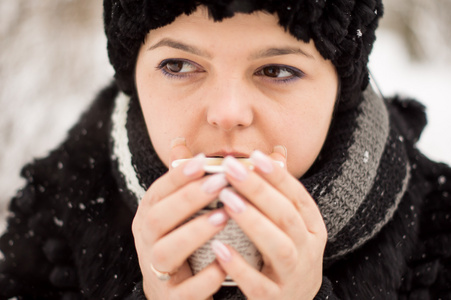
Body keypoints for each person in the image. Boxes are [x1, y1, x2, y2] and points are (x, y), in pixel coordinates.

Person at [1, 0, 450, 299]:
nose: (227, 113)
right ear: (134, 78)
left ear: (342, 90)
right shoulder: (54, 225)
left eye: (276, 69)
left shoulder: (438, 234)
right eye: (178, 65)